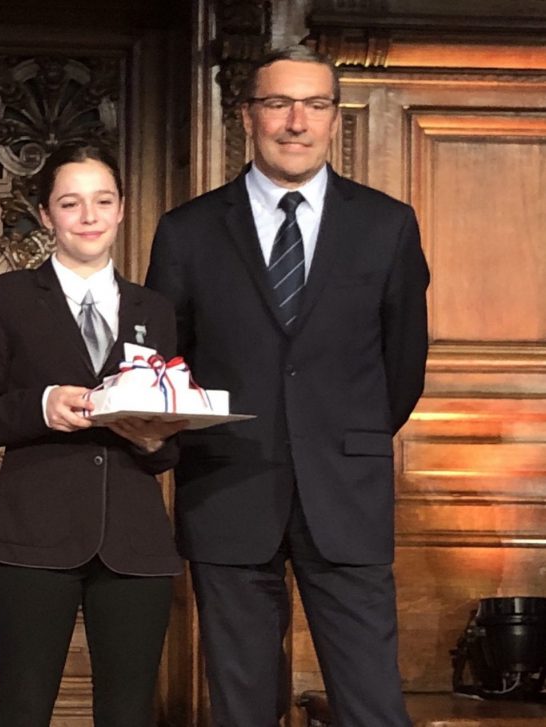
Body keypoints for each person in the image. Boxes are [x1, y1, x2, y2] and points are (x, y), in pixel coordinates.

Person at [145, 45, 429, 726]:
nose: (296, 122)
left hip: (347, 490)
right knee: (242, 706)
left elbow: (403, 365)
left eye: (315, 104)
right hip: (228, 488)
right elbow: (163, 364)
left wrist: (344, 435)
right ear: (247, 116)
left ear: (334, 118)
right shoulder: (188, 231)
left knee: (372, 704)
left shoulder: (386, 224)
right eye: (278, 103)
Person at [0, 143, 187, 726]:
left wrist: (155, 441)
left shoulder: (154, 309)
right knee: (24, 708)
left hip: (134, 541)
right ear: (45, 214)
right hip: (33, 535)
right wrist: (42, 406)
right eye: (70, 203)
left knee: (129, 713)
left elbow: (171, 438)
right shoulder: (8, 297)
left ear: (122, 209)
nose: (88, 217)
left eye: (102, 201)